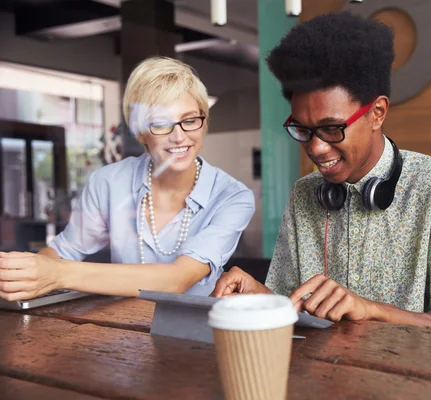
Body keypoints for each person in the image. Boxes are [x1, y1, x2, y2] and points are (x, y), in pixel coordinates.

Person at [211, 12, 431, 334]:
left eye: (332, 128)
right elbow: (292, 309)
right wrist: (260, 296)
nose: (316, 148)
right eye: (303, 130)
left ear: (377, 113)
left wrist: (370, 310)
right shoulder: (305, 193)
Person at [0, 56, 255, 300]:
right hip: (119, 333)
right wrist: (20, 274)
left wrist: (57, 274)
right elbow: (62, 252)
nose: (179, 137)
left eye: (189, 120)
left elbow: (178, 279)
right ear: (141, 132)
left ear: (203, 121)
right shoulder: (109, 182)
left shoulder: (233, 197)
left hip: (196, 336)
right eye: (161, 124)